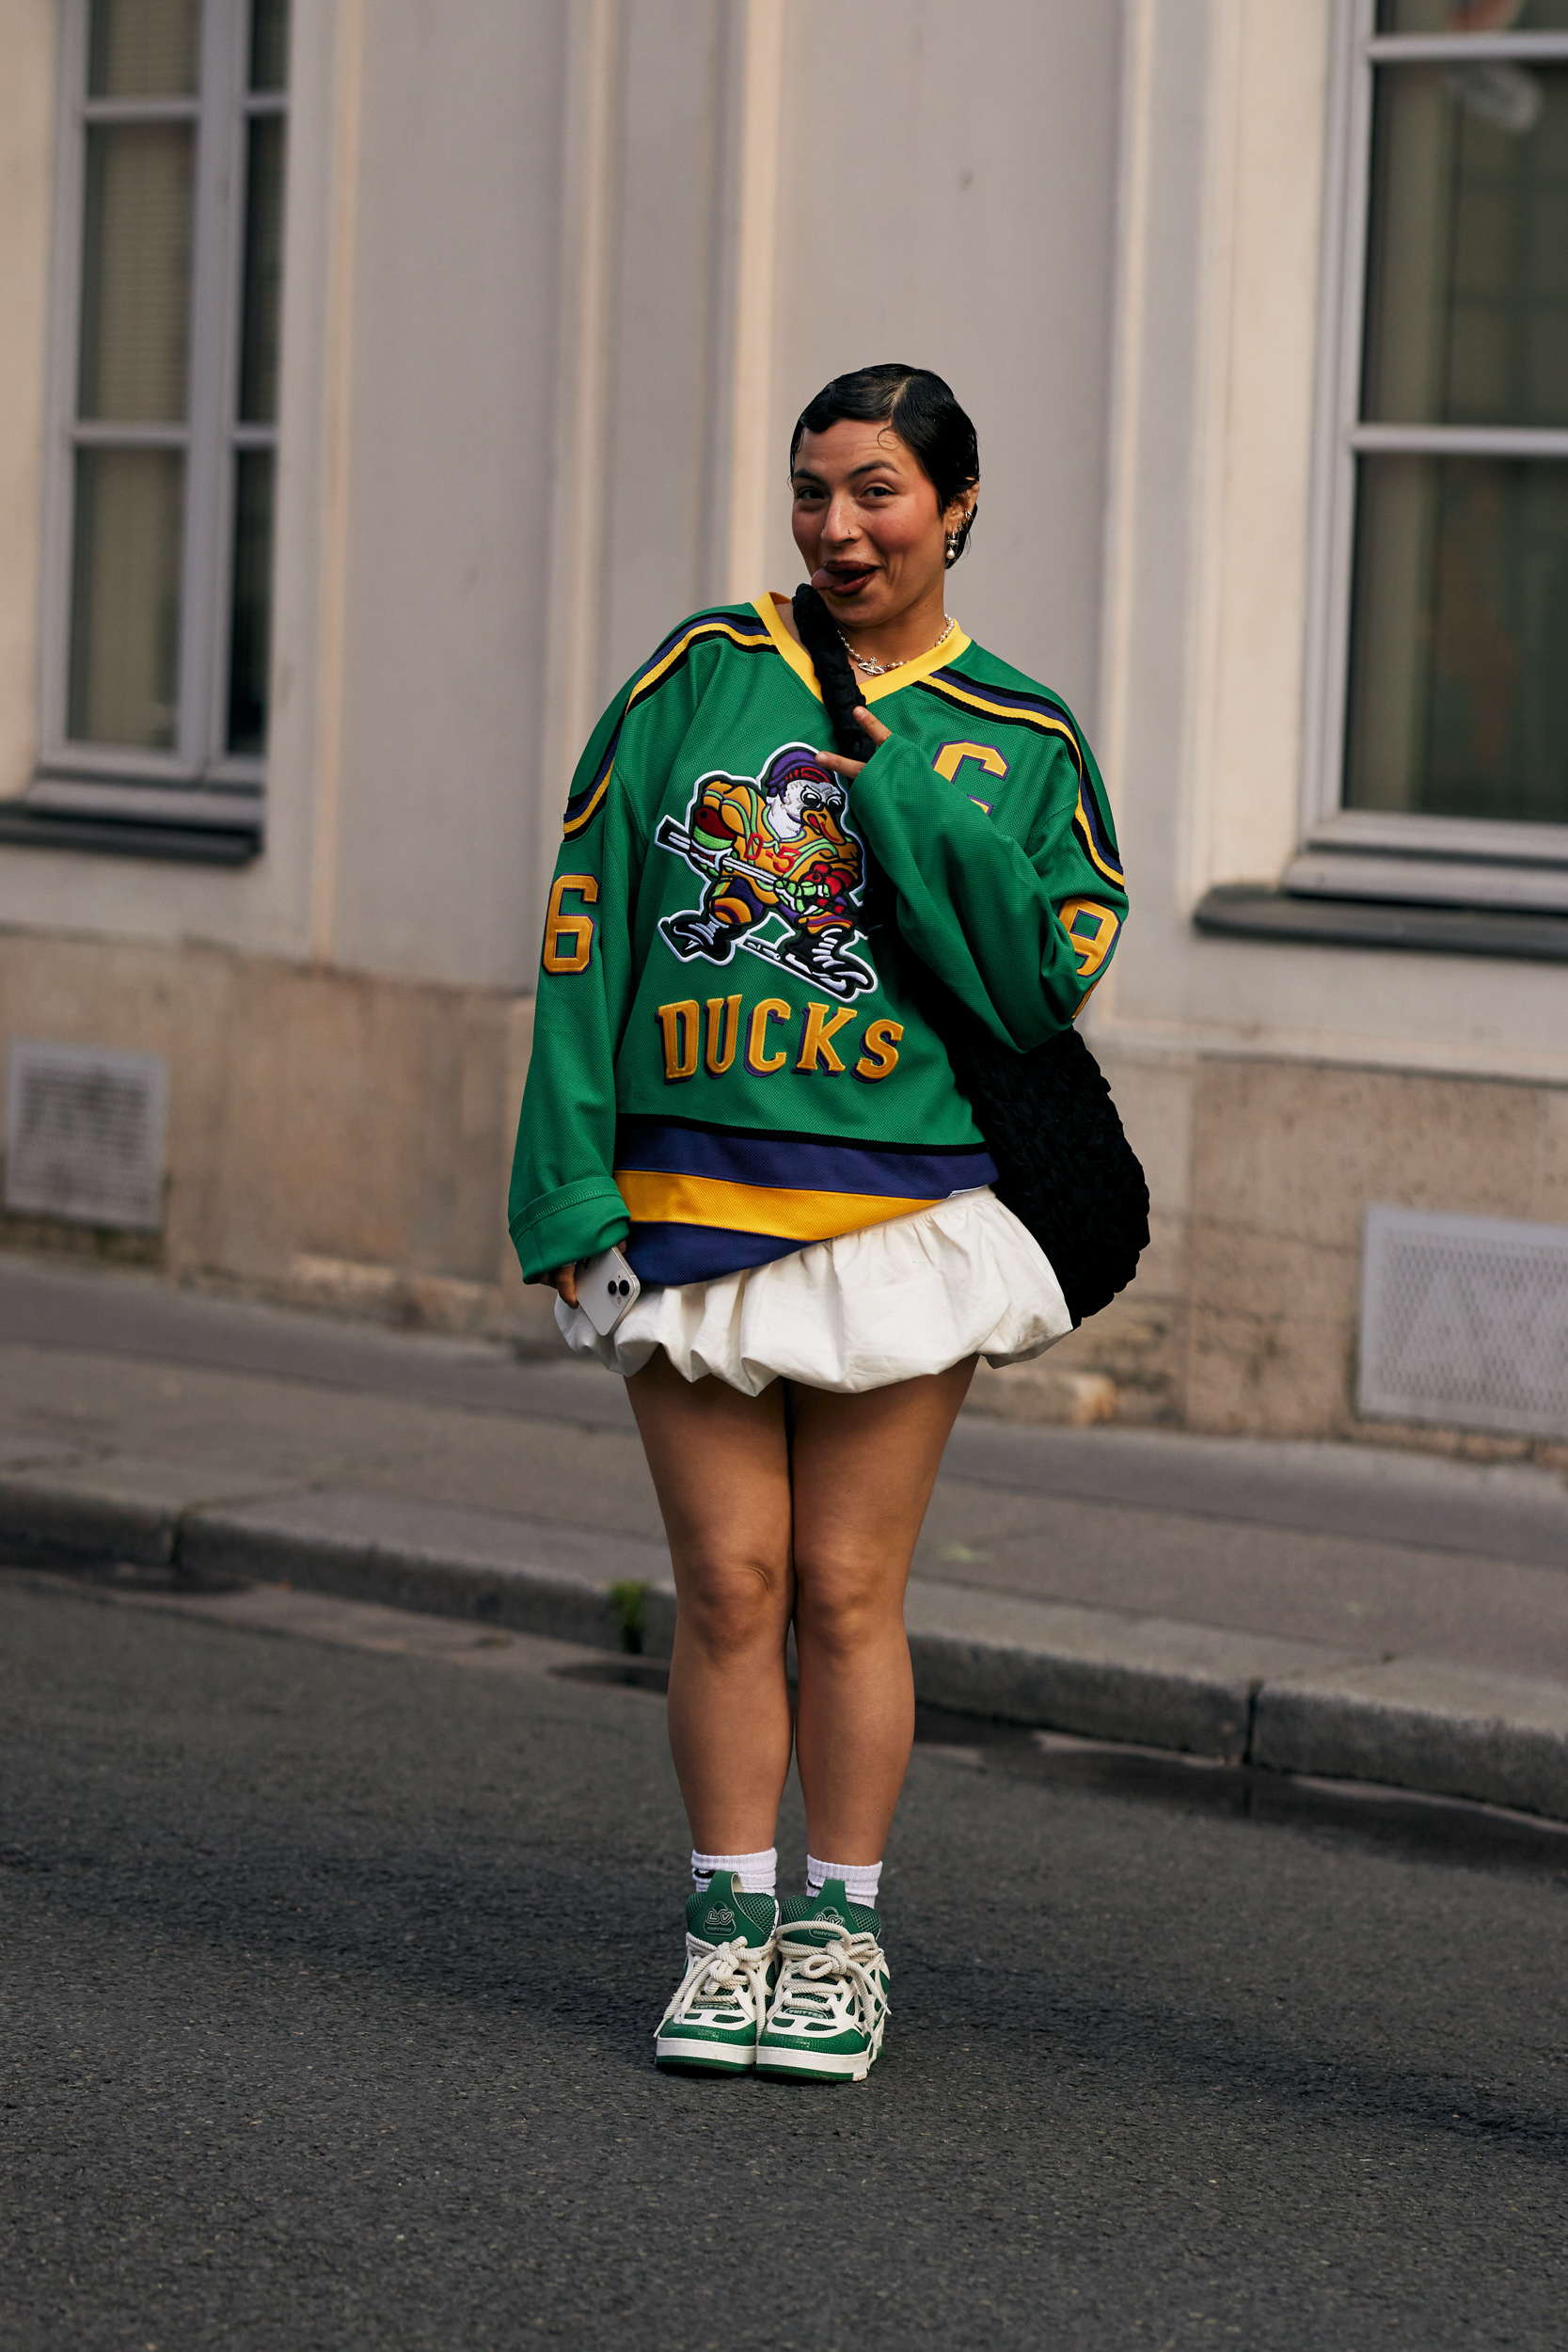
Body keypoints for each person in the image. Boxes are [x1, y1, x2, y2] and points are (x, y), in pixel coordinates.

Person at [508, 364, 1128, 2083]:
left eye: (877, 494)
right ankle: (725, 1926)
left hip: (900, 1210)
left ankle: (838, 1939)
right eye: (812, 494)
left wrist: (898, 780)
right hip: (687, 1190)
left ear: (958, 508)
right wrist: (561, 1181)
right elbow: (586, 926)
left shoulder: (1023, 738)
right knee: (726, 1582)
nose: (839, 529)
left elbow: (1042, 977)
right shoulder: (701, 675)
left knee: (849, 1591)